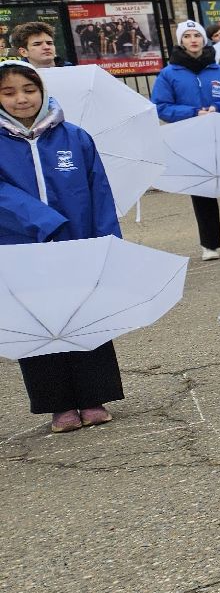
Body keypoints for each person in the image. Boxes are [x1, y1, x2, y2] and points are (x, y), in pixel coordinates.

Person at [0, 60, 123, 433]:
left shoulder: (74, 137)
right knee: (38, 322)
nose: (21, 99)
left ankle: (93, 396)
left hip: (78, 242)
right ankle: (59, 404)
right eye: (8, 92)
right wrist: (41, 218)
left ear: (43, 91)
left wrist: (108, 241)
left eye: (29, 89)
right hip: (21, 248)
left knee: (84, 317)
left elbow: (99, 190)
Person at [152, 20, 220, 260]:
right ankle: (209, 244)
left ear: (204, 39)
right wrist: (192, 113)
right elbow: (160, 107)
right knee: (202, 188)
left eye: (197, 35)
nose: (193, 40)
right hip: (192, 139)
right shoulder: (169, 74)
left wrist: (218, 108)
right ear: (181, 41)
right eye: (188, 36)